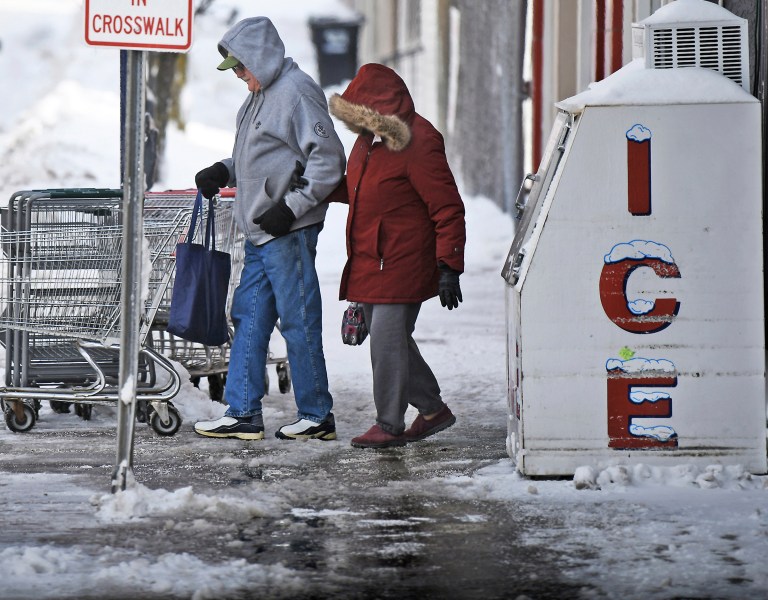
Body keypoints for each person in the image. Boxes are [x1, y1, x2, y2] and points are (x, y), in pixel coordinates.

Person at [193, 17, 346, 441]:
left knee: (298, 321)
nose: (239, 76)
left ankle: (317, 415)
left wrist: (291, 208)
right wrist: (222, 171)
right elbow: (260, 158)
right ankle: (242, 412)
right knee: (250, 318)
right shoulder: (258, 97)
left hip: (288, 232)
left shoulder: (297, 93)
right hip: (262, 232)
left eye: (242, 68)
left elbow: (329, 160)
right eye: (235, 70)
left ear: (260, 58)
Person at [327, 63, 466, 449]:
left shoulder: (419, 141)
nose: (359, 125)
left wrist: (449, 265)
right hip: (372, 258)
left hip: (403, 261)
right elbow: (362, 189)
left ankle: (389, 424)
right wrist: (319, 189)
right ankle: (433, 410)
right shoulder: (368, 141)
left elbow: (447, 207)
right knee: (395, 342)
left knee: (386, 343)